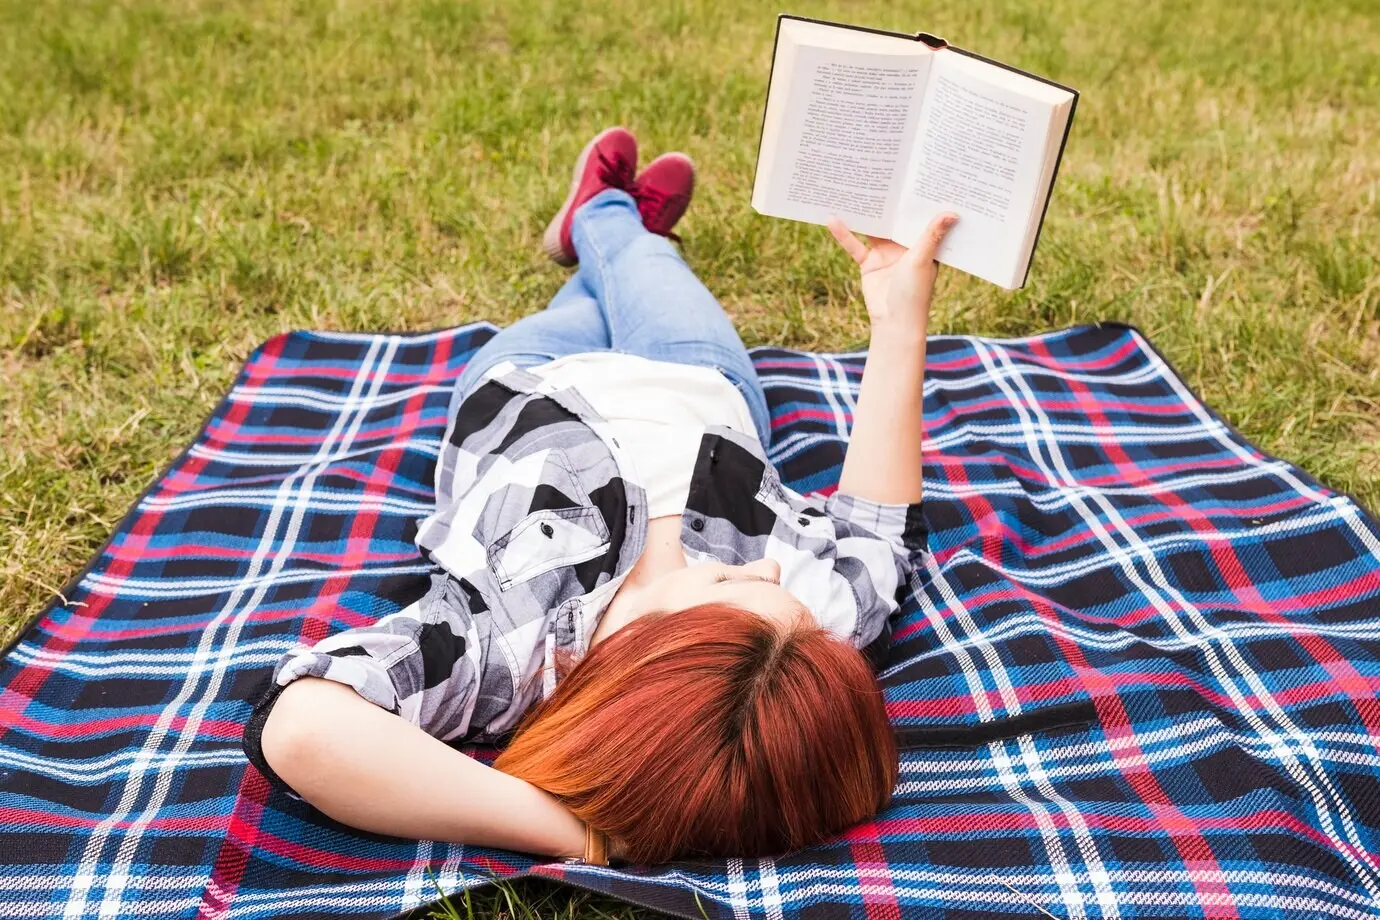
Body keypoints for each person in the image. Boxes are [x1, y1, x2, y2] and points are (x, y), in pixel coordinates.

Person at [241, 126, 958, 866]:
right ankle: (614, 223)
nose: (773, 573)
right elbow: (881, 532)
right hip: (704, 378)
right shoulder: (806, 641)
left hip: (530, 377)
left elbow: (299, 726)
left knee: (618, 271)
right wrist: (900, 318)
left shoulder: (502, 647)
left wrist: (582, 833)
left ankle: (601, 212)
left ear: (653, 659)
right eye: (798, 613)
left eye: (741, 589)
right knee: (650, 268)